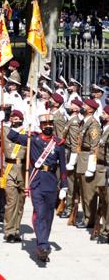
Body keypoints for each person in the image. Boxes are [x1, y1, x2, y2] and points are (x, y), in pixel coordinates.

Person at [7, 114, 68, 262]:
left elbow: (63, 167)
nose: (48, 126)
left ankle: (44, 241)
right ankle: (42, 245)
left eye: (50, 124)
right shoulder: (33, 139)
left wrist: (64, 186)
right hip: (37, 182)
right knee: (40, 213)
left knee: (48, 216)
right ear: (40, 126)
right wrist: (14, 122)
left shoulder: (58, 144)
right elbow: (12, 136)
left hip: (51, 182)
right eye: (45, 124)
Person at [0, 110, 27, 241]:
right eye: (13, 117)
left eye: (17, 117)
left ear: (21, 119)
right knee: (10, 202)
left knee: (20, 203)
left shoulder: (27, 132)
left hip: (23, 170)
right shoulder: (5, 130)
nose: (15, 119)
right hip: (9, 169)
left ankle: (16, 230)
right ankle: (9, 231)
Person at [75, 99, 101, 229]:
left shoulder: (93, 125)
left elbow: (94, 147)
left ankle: (89, 219)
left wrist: (91, 166)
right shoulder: (84, 122)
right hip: (82, 158)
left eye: (85, 105)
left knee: (89, 192)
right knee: (83, 191)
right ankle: (86, 216)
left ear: (91, 109)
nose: (82, 107)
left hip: (88, 159)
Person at [61, 99, 83, 218]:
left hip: (71, 153)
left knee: (70, 182)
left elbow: (75, 143)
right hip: (67, 151)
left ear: (76, 108)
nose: (69, 106)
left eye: (72, 104)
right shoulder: (71, 119)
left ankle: (69, 208)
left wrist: (72, 159)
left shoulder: (74, 121)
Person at [97, 105, 109, 243]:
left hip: (107, 168)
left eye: (105, 113)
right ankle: (105, 228)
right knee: (104, 201)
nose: (102, 114)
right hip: (102, 168)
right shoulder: (103, 129)